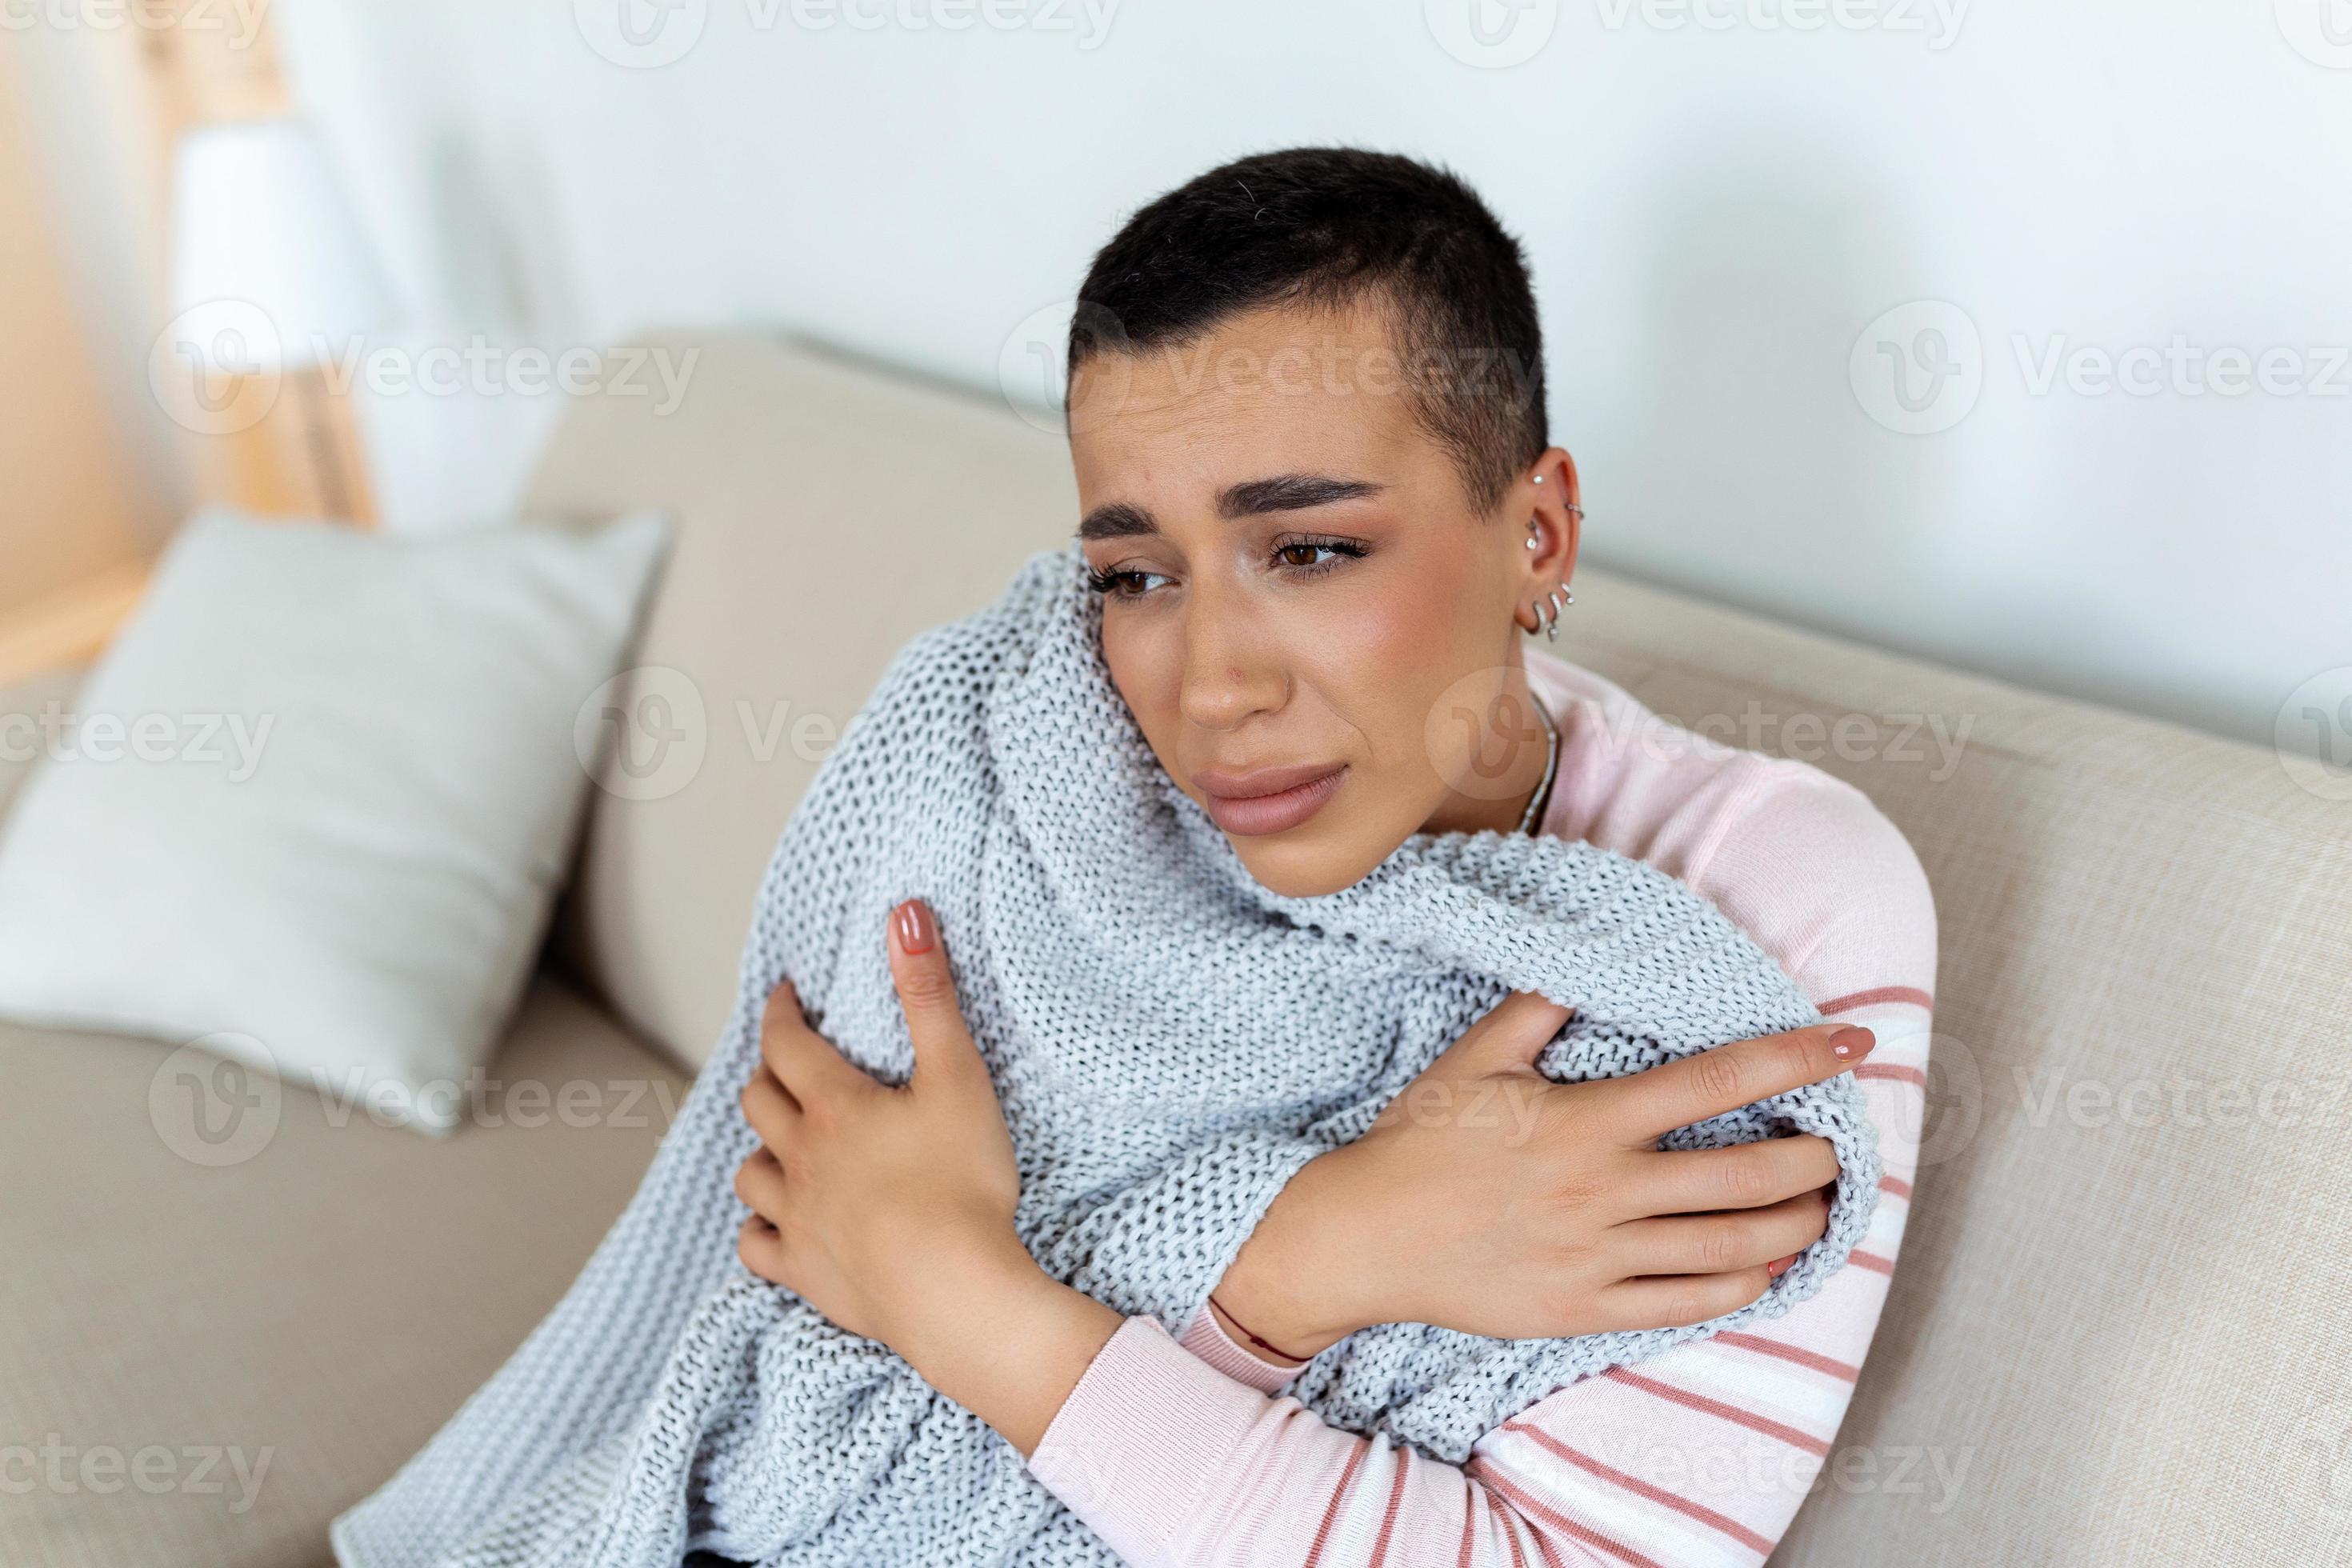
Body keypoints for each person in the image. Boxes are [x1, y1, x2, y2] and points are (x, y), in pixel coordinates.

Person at [729, 147, 1935, 1566]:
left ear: (1537, 533)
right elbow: (790, 1419)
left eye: (1307, 550)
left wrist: (952, 1289)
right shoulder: (1007, 777)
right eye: (1136, 575)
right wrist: (1308, 1252)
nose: (1208, 685)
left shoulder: (1766, 894)